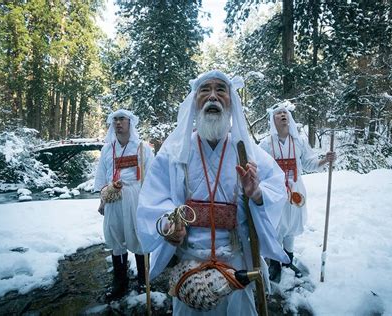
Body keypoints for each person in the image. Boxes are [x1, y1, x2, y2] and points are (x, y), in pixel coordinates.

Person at [136, 70, 289, 315]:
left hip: (236, 268)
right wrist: (168, 225)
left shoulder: (247, 151)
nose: (213, 97)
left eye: (221, 90)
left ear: (231, 101)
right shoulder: (175, 152)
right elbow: (153, 199)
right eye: (205, 90)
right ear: (195, 101)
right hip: (189, 267)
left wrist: (258, 193)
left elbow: (277, 188)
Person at [259, 102, 336, 283]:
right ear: (273, 119)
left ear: (290, 117)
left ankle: (288, 260)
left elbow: (310, 163)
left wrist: (326, 160)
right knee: (277, 226)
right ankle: (275, 263)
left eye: (285, 112)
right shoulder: (266, 144)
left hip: (296, 190)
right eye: (278, 113)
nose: (283, 115)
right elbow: (260, 168)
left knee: (292, 225)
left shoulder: (299, 141)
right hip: (275, 191)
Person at [94, 109, 154, 301]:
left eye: (122, 119)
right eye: (115, 120)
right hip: (113, 197)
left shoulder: (142, 148)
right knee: (115, 235)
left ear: (130, 123)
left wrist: (149, 203)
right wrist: (103, 198)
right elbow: (102, 176)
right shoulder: (107, 149)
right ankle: (120, 281)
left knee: (138, 235)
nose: (118, 123)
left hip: (136, 197)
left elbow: (151, 178)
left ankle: (144, 279)